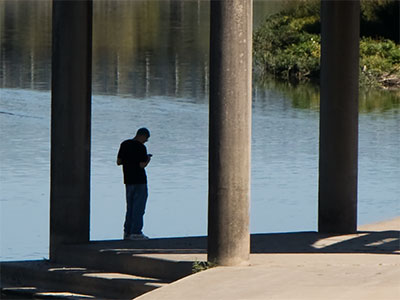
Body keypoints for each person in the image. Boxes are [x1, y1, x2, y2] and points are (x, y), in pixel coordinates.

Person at [117, 127, 152, 240]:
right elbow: (142, 165)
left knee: (130, 207)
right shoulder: (141, 147)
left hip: (128, 180)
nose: (146, 141)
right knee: (139, 208)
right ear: (142, 136)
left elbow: (119, 162)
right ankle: (136, 232)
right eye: (146, 138)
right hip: (140, 181)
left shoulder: (124, 144)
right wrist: (148, 159)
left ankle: (127, 232)